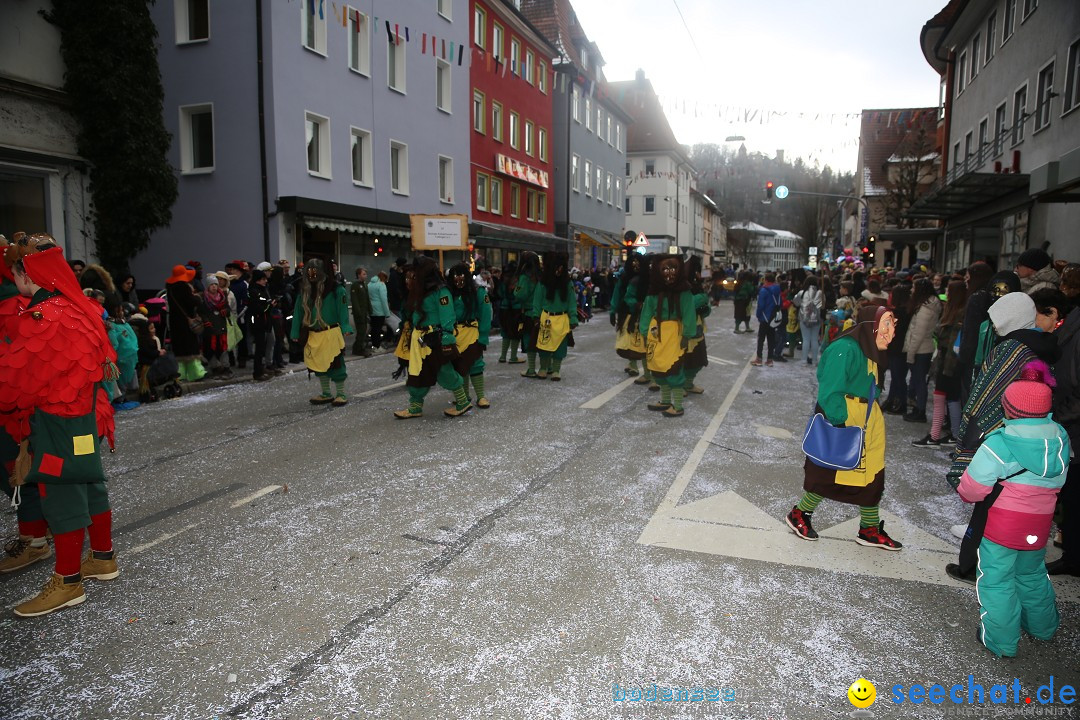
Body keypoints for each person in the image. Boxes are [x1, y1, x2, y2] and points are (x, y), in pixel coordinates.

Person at [0, 236, 119, 616]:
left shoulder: (42, 317)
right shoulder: (78, 307)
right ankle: (102, 558)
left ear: (26, 274)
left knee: (61, 493)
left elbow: (16, 386)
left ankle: (67, 581)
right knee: (89, 483)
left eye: (16, 272)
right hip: (87, 416)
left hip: (57, 425)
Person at [946, 292, 1060, 583]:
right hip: (1033, 435)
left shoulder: (1011, 348)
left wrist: (967, 437)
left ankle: (970, 566)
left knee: (988, 507)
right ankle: (1007, 569)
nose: (994, 326)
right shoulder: (1042, 346)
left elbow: (983, 396)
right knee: (1018, 506)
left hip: (999, 436)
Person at [957, 363, 1068, 657]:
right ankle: (1043, 627)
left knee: (996, 578)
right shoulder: (1059, 439)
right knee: (1031, 573)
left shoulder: (999, 443)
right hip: (1041, 522)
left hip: (1003, 524)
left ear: (1009, 409)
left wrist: (963, 489)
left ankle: (1001, 641)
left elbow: (974, 487)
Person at [785, 305, 903, 550]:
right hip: (846, 418)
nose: (891, 332)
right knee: (831, 471)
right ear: (872, 324)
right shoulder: (845, 348)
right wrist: (840, 422)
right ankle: (800, 513)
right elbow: (830, 389)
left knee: (872, 475)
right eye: (887, 325)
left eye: (893, 324)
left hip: (868, 419)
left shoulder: (870, 348)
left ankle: (869, 528)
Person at [393, 256, 472, 419]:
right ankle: (415, 407)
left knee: (445, 371)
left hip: (435, 337)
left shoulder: (441, 291)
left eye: (416, 270)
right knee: (417, 373)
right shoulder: (421, 289)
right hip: (419, 338)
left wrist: (447, 337)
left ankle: (463, 401)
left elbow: (447, 315)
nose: (413, 274)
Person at [290, 258, 353, 406]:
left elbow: (342, 311)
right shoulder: (304, 291)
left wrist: (345, 327)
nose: (312, 274)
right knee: (317, 363)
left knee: (336, 363)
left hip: (330, 333)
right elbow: (298, 313)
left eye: (315, 270)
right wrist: (295, 332)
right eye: (309, 270)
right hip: (313, 333)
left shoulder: (337, 290)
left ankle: (341, 393)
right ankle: (326, 393)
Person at [638, 255, 696, 417]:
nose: (669, 274)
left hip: (674, 334)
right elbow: (646, 313)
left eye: (672, 269)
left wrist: (687, 335)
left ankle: (677, 405)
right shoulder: (653, 292)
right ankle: (665, 400)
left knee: (674, 368)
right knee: (657, 367)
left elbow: (688, 313)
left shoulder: (684, 292)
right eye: (665, 270)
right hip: (656, 333)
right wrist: (644, 332)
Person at [914, 279, 967, 447]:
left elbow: (952, 343)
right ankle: (945, 434)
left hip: (949, 362)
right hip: (945, 360)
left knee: (947, 398)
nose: (947, 293)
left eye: (949, 291)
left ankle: (942, 435)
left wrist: (947, 368)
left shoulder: (958, 314)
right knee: (946, 398)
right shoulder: (950, 310)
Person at [1049, 287, 1080, 577]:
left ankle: (1073, 555)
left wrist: (1058, 417)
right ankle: (1071, 550)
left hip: (1073, 424)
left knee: (1073, 494)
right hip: (1070, 422)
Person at [448, 263, 492, 408]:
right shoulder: (449, 293)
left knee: (476, 363)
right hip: (455, 333)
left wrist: (483, 336)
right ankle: (464, 395)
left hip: (472, 331)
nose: (459, 280)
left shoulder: (478, 292)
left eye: (461, 276)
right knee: (459, 365)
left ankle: (481, 396)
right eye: (455, 277)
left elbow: (486, 314)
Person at [902, 278, 942, 423]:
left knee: (919, 382)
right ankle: (918, 409)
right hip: (924, 348)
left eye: (914, 287)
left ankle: (920, 411)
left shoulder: (924, 309)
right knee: (919, 381)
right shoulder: (930, 305)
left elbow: (917, 334)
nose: (912, 290)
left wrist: (910, 355)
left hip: (920, 350)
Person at [533, 251, 578, 381]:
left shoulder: (567, 284)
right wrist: (536, 316)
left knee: (560, 345)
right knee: (544, 344)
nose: (559, 270)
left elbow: (571, 302)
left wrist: (573, 318)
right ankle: (543, 368)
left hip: (562, 318)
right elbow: (537, 300)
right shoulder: (543, 283)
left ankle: (556, 370)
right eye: (557, 267)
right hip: (546, 317)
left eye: (561, 268)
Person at [611, 254, 651, 383]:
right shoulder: (624, 278)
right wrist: (613, 310)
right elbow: (617, 294)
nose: (635, 267)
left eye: (638, 264)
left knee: (643, 341)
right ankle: (633, 363)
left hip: (645, 314)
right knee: (630, 340)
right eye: (633, 264)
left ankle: (647, 371)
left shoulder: (647, 278)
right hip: (627, 312)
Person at [165, 264, 207, 381]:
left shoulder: (170, 288)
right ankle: (196, 373)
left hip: (175, 322)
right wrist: (198, 298)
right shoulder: (183, 287)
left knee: (180, 350)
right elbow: (191, 302)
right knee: (191, 349)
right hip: (186, 322)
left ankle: (181, 374)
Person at [515, 251, 542, 379]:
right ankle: (545, 367)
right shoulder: (541, 276)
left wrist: (516, 290)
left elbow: (520, 295)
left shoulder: (525, 277)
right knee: (543, 340)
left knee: (530, 341)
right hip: (543, 312)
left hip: (529, 312)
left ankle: (531, 369)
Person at [201, 275, 232, 377]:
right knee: (210, 348)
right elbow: (202, 312)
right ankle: (215, 367)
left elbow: (228, 309)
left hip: (221, 325)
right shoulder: (204, 297)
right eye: (211, 285)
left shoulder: (222, 296)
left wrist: (225, 311)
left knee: (223, 347)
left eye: (215, 284)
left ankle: (226, 367)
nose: (214, 287)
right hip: (210, 327)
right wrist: (206, 321)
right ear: (208, 286)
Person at [248, 269, 274, 381]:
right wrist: (270, 305)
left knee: (262, 348)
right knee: (259, 349)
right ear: (258, 280)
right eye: (263, 279)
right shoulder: (254, 291)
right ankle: (257, 372)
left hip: (264, 322)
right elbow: (259, 308)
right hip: (258, 322)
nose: (265, 281)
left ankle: (261, 369)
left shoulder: (262, 290)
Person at [496, 262, 525, 364]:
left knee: (505, 332)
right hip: (516, 310)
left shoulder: (502, 280)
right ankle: (513, 357)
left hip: (503, 309)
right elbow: (519, 295)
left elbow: (499, 293)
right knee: (516, 333)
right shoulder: (517, 281)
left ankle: (503, 356)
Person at [751, 272, 781, 367]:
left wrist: (758, 315)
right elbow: (780, 304)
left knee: (761, 338)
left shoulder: (764, 290)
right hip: (773, 318)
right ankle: (770, 359)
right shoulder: (777, 290)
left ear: (766, 280)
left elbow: (761, 305)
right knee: (771, 339)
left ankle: (759, 358)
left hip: (765, 317)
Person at [793, 276, 822, 365]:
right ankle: (814, 360)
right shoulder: (820, 292)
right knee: (814, 339)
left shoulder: (802, 292)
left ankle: (804, 360)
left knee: (806, 339)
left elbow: (796, 302)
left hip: (804, 317)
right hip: (816, 318)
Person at [350, 267, 372, 357]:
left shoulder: (364, 285)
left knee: (363, 331)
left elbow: (367, 298)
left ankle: (358, 347)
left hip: (364, 312)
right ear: (358, 275)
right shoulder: (355, 285)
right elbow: (354, 301)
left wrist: (370, 310)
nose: (365, 276)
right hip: (359, 313)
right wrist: (358, 312)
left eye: (365, 274)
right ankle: (358, 349)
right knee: (361, 331)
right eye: (363, 274)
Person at [368, 270, 390, 349]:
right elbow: (384, 300)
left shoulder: (369, 284)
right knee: (378, 329)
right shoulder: (381, 285)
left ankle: (374, 345)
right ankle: (377, 346)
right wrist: (387, 313)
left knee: (373, 328)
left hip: (371, 309)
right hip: (380, 310)